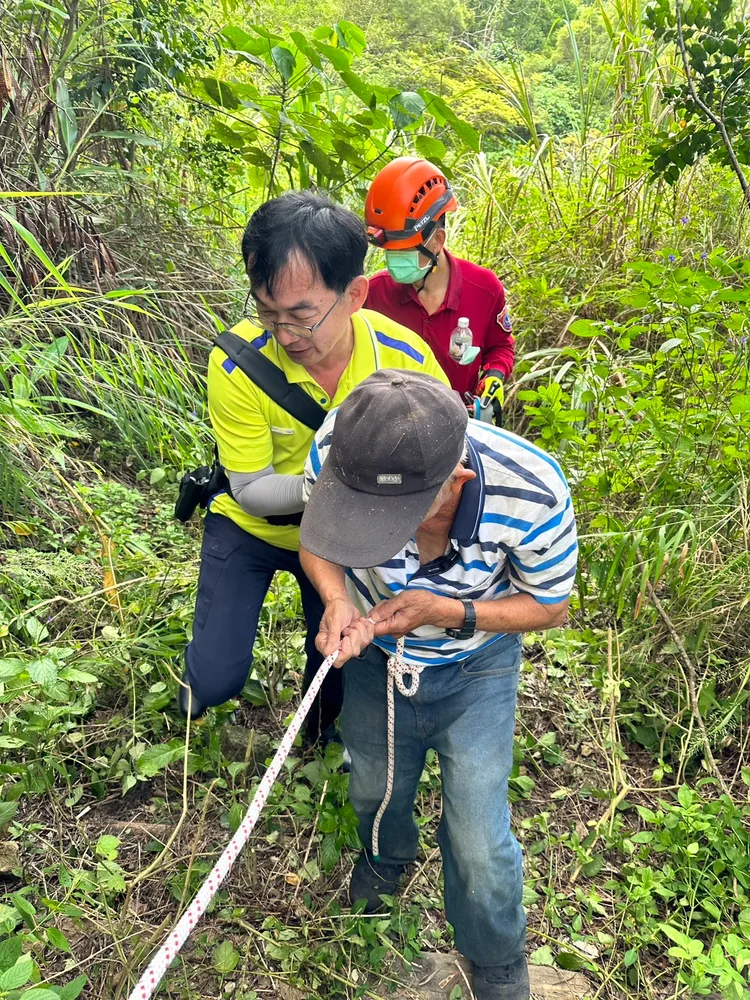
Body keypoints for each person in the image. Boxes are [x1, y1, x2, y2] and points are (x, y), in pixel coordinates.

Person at [298, 370, 578, 999]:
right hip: (374, 657)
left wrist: (449, 612)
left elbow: (551, 605)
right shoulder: (342, 450)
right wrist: (337, 600)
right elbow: (317, 541)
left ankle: (495, 954)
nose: (373, 532)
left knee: (478, 832)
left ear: (457, 480)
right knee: (373, 779)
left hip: (478, 665)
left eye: (389, 517)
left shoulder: (531, 489)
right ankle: (385, 858)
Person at [179, 193, 449, 748]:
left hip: (344, 537)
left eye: (302, 316)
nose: (285, 335)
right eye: (267, 312)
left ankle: (317, 734)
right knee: (217, 676)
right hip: (252, 529)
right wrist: (344, 489)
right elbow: (252, 491)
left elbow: (440, 460)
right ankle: (198, 684)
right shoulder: (238, 363)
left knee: (334, 652)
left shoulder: (404, 359)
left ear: (355, 294)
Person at [364, 157, 514, 422]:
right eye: (389, 251)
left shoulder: (484, 290)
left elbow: (500, 346)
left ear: (437, 241)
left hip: (459, 423)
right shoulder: (375, 294)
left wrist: (494, 375)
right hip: (391, 425)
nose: (393, 261)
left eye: (404, 250)